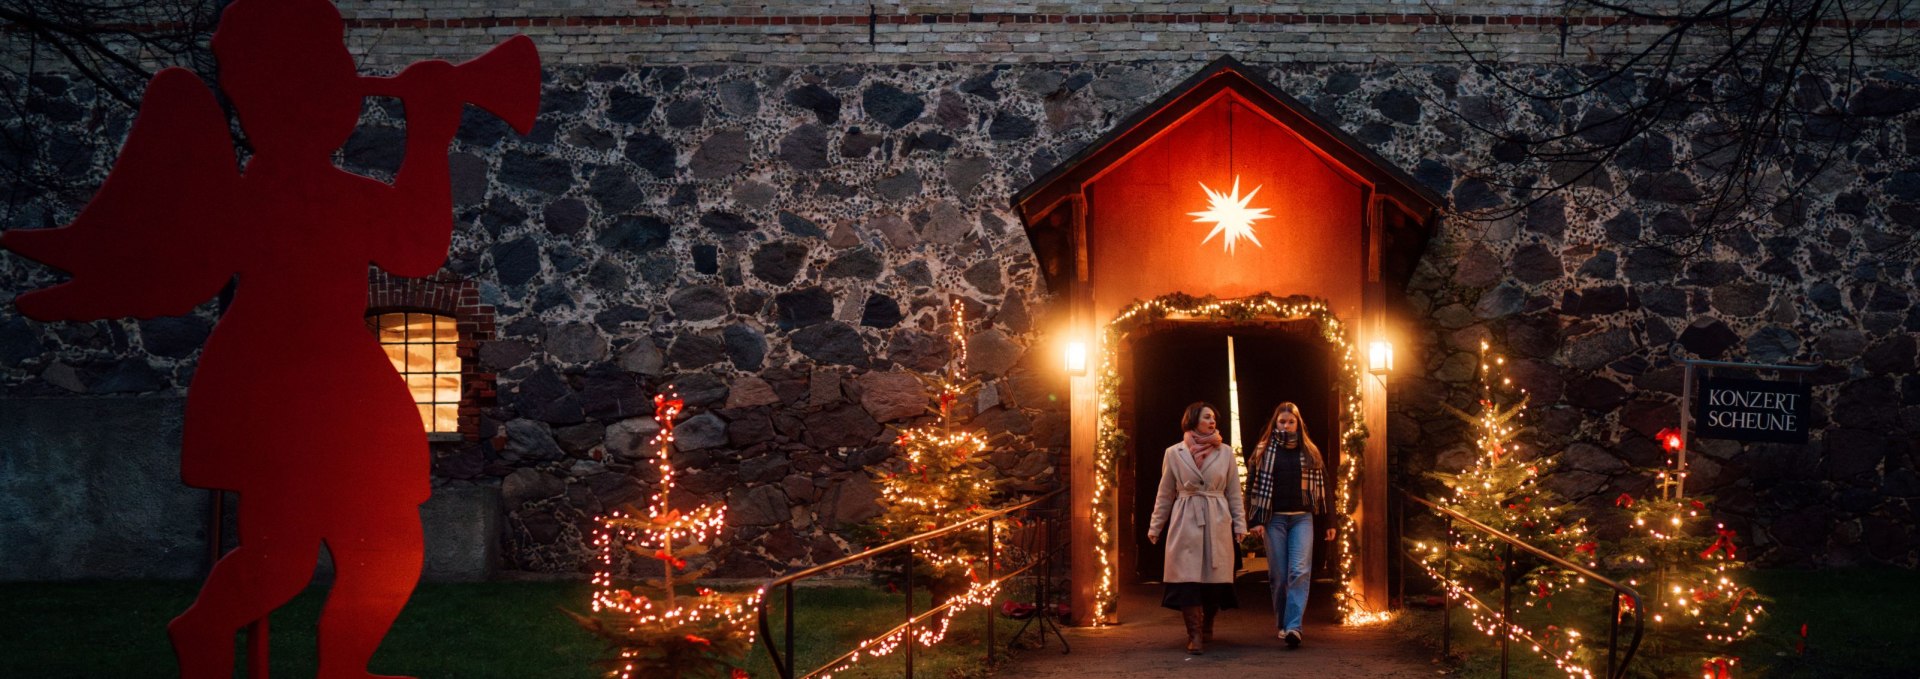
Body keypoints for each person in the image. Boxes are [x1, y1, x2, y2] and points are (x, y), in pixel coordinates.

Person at [1147, 401, 1247, 655]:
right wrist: (1155, 526)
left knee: (1213, 579)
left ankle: (1207, 624)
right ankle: (1194, 634)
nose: (1212, 422)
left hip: (1216, 516)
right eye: (1206, 418)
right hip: (1186, 516)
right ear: (1192, 420)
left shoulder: (1225, 452)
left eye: (1214, 418)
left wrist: (1240, 524)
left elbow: (1234, 491)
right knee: (1187, 578)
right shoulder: (1174, 452)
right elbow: (1165, 492)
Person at [1245, 401, 1336, 649]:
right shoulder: (1263, 451)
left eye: (1291, 421)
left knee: (1299, 571)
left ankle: (1294, 626)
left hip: (1302, 518)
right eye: (1282, 421)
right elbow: (1252, 487)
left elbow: (1325, 488)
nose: (1286, 425)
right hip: (1274, 519)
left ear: (1298, 423)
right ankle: (1283, 624)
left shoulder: (1310, 451)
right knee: (1279, 575)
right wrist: (1255, 520)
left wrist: (1329, 520)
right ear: (1276, 423)